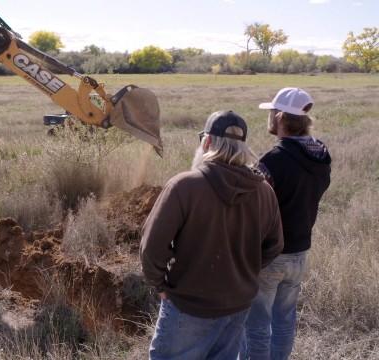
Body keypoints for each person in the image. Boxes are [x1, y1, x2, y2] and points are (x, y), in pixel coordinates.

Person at [141, 110, 284, 360]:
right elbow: (275, 245)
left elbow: (152, 247)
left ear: (206, 142)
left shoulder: (184, 186)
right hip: (238, 305)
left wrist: (159, 284)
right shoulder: (264, 191)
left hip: (188, 306)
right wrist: (244, 272)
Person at [244, 88, 331, 360]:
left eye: (272, 112)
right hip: (300, 252)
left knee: (256, 325)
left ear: (280, 117)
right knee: (284, 320)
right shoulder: (321, 158)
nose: (269, 117)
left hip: (271, 255)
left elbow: (250, 207)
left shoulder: (273, 161)